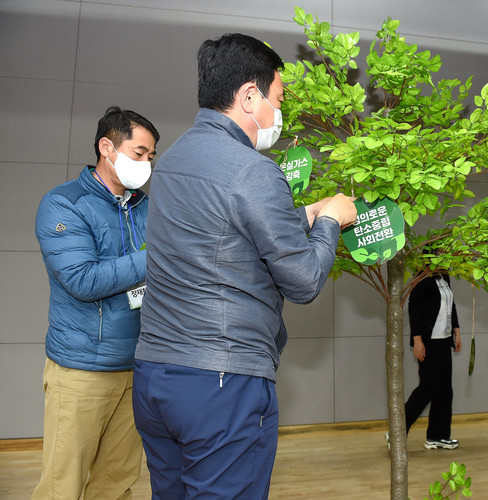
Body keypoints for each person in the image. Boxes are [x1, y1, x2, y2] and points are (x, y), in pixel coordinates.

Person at [131, 33, 356, 499]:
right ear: (249, 97)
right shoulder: (253, 170)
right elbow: (303, 280)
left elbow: (220, 235)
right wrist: (330, 220)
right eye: (278, 99)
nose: (279, 113)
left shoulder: (171, 162)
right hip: (220, 381)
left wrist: (304, 214)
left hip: (154, 375)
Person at [33, 106, 159, 499]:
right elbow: (82, 279)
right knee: (63, 485)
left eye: (151, 156)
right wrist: (157, 255)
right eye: (139, 153)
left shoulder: (146, 206)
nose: (146, 164)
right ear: (107, 147)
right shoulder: (64, 204)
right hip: (82, 369)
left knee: (117, 482)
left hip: (137, 367)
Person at [402, 269, 462, 449]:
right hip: (429, 341)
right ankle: (397, 430)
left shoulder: (445, 276)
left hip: (444, 340)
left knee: (445, 390)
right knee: (427, 389)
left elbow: (451, 305)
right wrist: (417, 340)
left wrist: (457, 332)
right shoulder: (422, 277)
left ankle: (438, 436)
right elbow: (414, 307)